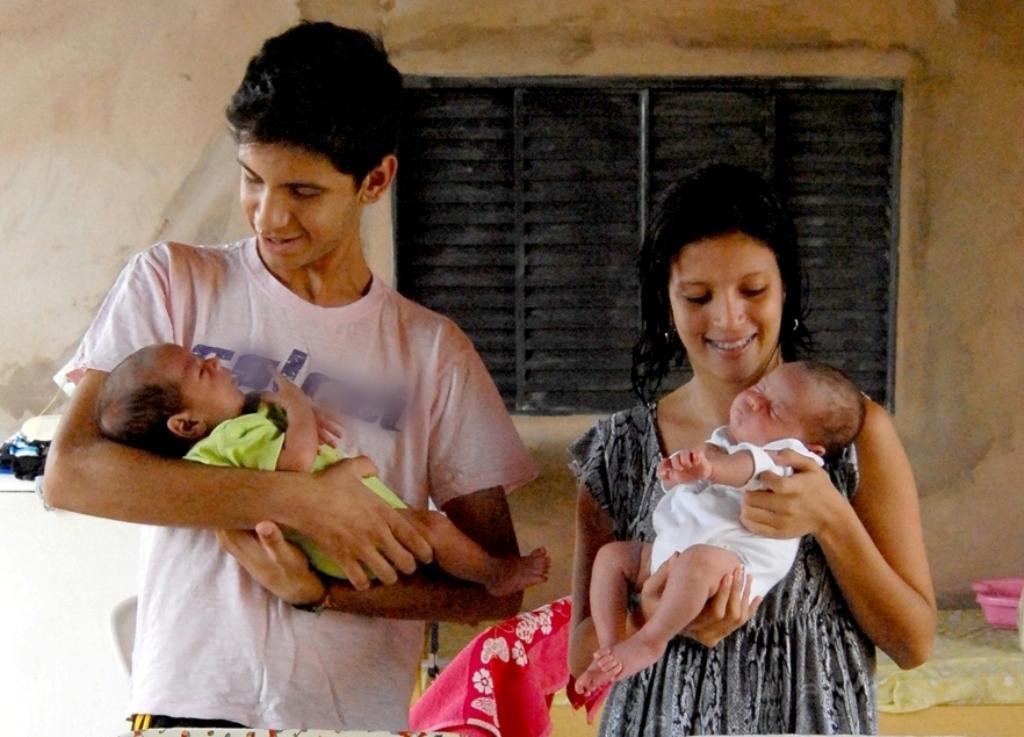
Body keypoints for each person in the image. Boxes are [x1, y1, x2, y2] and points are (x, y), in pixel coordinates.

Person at [44, 21, 538, 731]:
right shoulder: (173, 283)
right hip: (193, 709)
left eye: (303, 191)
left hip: (353, 717)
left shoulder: (433, 351)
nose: (269, 214)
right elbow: (73, 473)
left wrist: (321, 593)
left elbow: (493, 586)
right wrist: (299, 502)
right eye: (252, 179)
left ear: (376, 179)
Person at [567, 163, 936, 735]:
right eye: (697, 295)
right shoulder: (619, 450)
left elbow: (914, 643)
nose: (727, 318)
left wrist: (830, 518)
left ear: (786, 287)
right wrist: (659, 614)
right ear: (666, 303)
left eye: (753, 290)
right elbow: (580, 653)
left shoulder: (853, 434)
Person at [96, 342, 550, 596]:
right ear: (187, 423)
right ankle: (494, 574)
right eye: (199, 372)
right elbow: (293, 470)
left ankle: (489, 572)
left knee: (428, 530)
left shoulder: (228, 439)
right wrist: (298, 409)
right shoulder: (228, 439)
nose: (213, 362)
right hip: (346, 541)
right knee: (432, 528)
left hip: (346, 527)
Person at [575, 360, 865, 695]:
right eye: (761, 389)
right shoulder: (723, 441)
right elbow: (698, 489)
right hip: (675, 554)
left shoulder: (791, 459)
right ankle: (612, 647)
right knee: (613, 557)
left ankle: (651, 641)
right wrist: (681, 475)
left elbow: (748, 468)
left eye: (774, 412)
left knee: (699, 562)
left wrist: (709, 467)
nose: (755, 401)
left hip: (732, 562)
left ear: (811, 447)